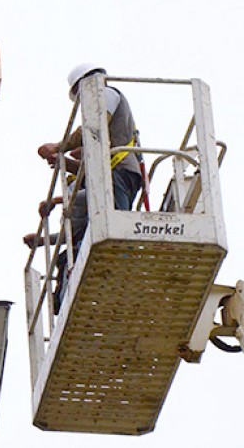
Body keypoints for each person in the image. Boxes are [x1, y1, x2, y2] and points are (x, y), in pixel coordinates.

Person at [25, 64, 143, 311]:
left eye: (80, 93)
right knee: (88, 234)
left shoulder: (108, 94)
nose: (81, 101)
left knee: (114, 225)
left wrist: (59, 145)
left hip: (120, 173)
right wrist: (61, 162)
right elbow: (87, 173)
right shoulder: (96, 149)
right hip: (111, 176)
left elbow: (94, 127)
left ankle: (123, 266)